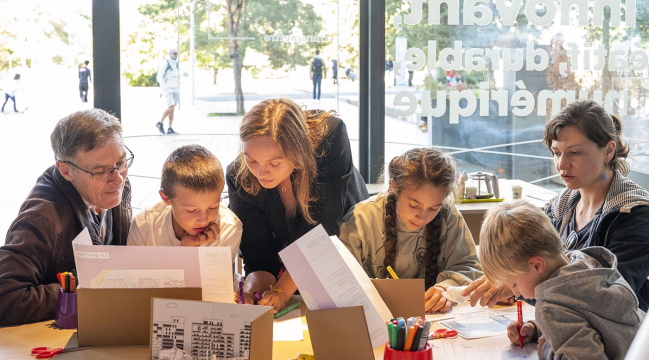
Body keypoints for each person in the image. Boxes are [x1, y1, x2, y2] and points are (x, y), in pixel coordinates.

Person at [464, 100, 649, 312]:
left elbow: (610, 301)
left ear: (608, 151)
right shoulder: (560, 206)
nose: (561, 164)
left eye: (575, 152)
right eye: (556, 152)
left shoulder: (635, 214)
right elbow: (548, 279)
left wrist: (521, 285)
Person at [227, 98, 369, 313]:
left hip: (346, 254)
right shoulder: (239, 177)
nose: (260, 173)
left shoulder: (329, 139)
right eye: (252, 160)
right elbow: (258, 256)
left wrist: (282, 292)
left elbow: (321, 233)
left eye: (274, 163)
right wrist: (251, 292)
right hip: (295, 267)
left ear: (298, 152)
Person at [0, 109, 134, 325]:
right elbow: (5, 299)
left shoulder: (112, 186)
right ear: (65, 171)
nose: (118, 179)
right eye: (100, 171)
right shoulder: (43, 218)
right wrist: (85, 288)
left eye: (121, 163)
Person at [480, 200, 644, 360]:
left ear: (537, 265)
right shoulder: (589, 264)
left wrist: (547, 349)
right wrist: (540, 329)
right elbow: (594, 320)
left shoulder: (551, 307)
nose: (515, 292)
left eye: (513, 283)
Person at [339, 148, 482, 313]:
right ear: (394, 186)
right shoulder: (360, 219)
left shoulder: (448, 215)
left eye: (434, 208)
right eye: (414, 205)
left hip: (433, 320)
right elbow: (343, 283)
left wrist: (446, 290)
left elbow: (469, 267)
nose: (422, 217)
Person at [128, 144, 242, 262]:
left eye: (213, 207)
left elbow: (212, 280)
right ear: (166, 198)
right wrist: (186, 250)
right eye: (192, 210)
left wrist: (190, 251)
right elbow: (133, 277)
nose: (203, 219)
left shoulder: (228, 228)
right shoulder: (145, 225)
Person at [156, 48, 179, 135]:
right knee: (171, 107)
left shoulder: (176, 64)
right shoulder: (165, 63)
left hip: (175, 89)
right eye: (174, 53)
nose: (175, 55)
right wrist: (164, 87)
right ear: (169, 54)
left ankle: (170, 128)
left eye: (176, 53)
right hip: (167, 89)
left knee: (172, 109)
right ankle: (160, 122)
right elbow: (160, 76)